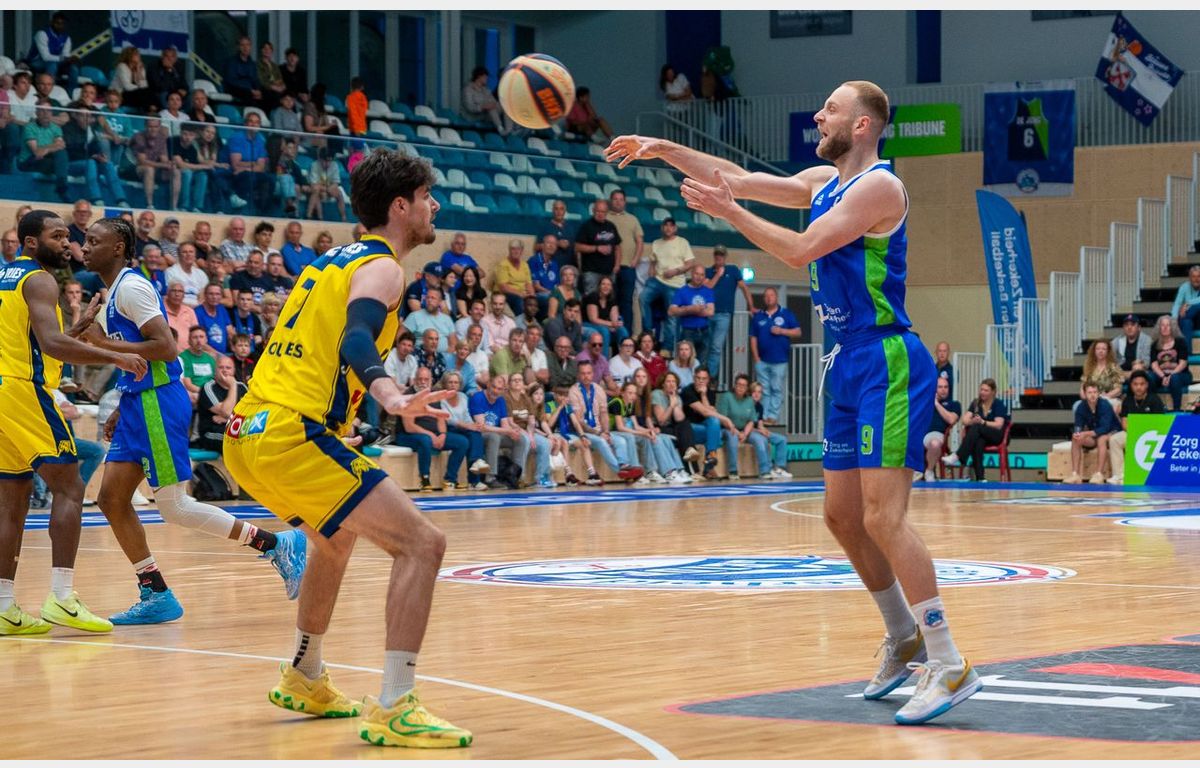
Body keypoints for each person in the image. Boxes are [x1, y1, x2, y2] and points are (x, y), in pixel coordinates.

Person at [607, 79, 981, 724]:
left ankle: (948, 662)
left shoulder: (880, 187)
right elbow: (736, 178)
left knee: (884, 517)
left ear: (862, 125)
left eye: (831, 108)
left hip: (887, 358)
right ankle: (904, 635)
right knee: (842, 517)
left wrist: (729, 214)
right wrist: (663, 148)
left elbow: (801, 248)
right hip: (846, 360)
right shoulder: (823, 181)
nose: (818, 114)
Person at [221, 149, 472, 746]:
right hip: (291, 433)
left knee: (333, 540)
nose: (435, 206)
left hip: (250, 431)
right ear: (400, 206)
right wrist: (390, 394)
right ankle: (396, 705)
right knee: (423, 544)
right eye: (427, 196)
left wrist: (338, 419)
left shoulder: (329, 262)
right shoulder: (384, 267)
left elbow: (316, 347)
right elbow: (357, 337)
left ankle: (305, 673)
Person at [83, 218, 304, 616]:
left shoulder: (131, 288)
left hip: (157, 404)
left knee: (175, 507)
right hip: (137, 402)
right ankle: (156, 594)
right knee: (111, 499)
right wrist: (122, 401)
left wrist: (102, 345)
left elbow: (165, 348)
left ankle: (276, 544)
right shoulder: (114, 292)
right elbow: (138, 358)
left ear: (117, 247)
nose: (84, 247)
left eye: (93, 241)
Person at [0, 210, 146, 637]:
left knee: (12, 500)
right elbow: (50, 344)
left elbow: (31, 340)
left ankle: (4, 606)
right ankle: (62, 597)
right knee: (70, 486)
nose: (68, 244)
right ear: (31, 242)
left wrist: (79, 327)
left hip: (3, 390)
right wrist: (115, 355)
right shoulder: (40, 280)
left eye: (68, 236)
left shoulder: (6, 277)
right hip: (23, 389)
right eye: (58, 236)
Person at [394, 367, 468, 492]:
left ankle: (450, 480)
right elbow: (409, 427)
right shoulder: (408, 395)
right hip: (407, 435)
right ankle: (424, 480)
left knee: (462, 442)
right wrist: (431, 435)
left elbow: (440, 418)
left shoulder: (434, 393)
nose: (423, 382)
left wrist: (442, 434)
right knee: (425, 440)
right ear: (415, 380)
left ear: (431, 380)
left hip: (432, 434)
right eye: (420, 379)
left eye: (426, 379)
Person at [569, 360, 642, 481]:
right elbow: (578, 421)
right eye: (583, 373)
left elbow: (604, 414)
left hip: (599, 430)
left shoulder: (598, 389)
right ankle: (620, 471)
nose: (586, 376)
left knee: (620, 441)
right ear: (578, 375)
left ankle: (624, 465)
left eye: (588, 373)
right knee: (601, 441)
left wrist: (606, 432)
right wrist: (599, 433)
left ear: (593, 374)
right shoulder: (574, 391)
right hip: (581, 432)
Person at [718, 373, 788, 480]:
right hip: (728, 429)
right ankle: (733, 471)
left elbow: (751, 421)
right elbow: (723, 419)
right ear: (735, 385)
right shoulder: (727, 397)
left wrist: (745, 434)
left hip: (746, 430)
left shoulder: (749, 401)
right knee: (733, 438)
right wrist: (738, 432)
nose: (741, 387)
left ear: (747, 388)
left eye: (744, 385)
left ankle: (765, 471)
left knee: (761, 439)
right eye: (739, 384)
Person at [640, 217, 694, 351]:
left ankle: (667, 348)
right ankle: (648, 333)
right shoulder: (656, 243)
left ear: (675, 228)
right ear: (662, 228)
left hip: (675, 284)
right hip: (658, 280)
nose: (668, 228)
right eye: (666, 225)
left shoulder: (682, 242)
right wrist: (650, 274)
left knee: (671, 315)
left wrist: (676, 271)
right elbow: (653, 263)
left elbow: (690, 263)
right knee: (642, 298)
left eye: (671, 225)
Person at [749, 286, 801, 423]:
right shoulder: (758, 316)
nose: (769, 298)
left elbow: (797, 332)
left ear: (776, 297)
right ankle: (764, 416)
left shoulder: (786, 314)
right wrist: (756, 358)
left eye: (771, 295)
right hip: (762, 361)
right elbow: (753, 337)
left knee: (776, 388)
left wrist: (782, 331)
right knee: (763, 390)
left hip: (780, 360)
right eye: (766, 296)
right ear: (764, 299)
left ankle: (773, 417)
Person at [470, 373, 530, 489]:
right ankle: (490, 478)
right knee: (494, 437)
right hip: (479, 435)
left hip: (496, 432)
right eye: (494, 387)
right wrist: (507, 431)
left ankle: (515, 475)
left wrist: (512, 431)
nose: (496, 391)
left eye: (499, 389)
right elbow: (481, 426)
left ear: (503, 390)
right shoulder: (478, 398)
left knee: (520, 439)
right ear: (488, 385)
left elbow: (505, 424)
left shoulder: (501, 400)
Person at [942, 378, 1009, 482]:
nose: (982, 392)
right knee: (978, 441)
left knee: (977, 427)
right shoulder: (976, 403)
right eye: (981, 389)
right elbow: (964, 420)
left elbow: (999, 425)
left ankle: (958, 456)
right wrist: (972, 421)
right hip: (982, 435)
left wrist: (983, 422)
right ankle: (980, 478)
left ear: (992, 392)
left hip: (996, 435)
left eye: (986, 390)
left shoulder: (998, 403)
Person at [705, 243, 755, 377]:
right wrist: (718, 275)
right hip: (707, 313)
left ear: (725, 256)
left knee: (716, 347)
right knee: (706, 345)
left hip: (724, 314)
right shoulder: (708, 271)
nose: (719, 257)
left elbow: (744, 288)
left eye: (721, 255)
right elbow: (707, 287)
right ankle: (703, 375)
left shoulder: (733, 270)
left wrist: (751, 306)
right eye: (717, 254)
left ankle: (711, 377)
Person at [1107, 369, 1164, 484]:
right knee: (1114, 439)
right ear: (1131, 386)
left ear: (1147, 385)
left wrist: (1141, 433)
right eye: (1135, 384)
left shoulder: (1155, 400)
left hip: (1151, 436)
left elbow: (1159, 423)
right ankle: (1119, 475)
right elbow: (1124, 423)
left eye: (1142, 384)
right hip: (1132, 433)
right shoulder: (1127, 401)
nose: (1139, 387)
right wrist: (1135, 433)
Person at [680, 367, 730, 480]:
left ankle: (709, 460)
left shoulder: (710, 393)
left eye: (704, 379)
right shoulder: (687, 391)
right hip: (689, 429)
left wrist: (703, 395)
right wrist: (726, 419)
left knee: (714, 423)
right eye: (698, 378)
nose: (701, 381)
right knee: (716, 433)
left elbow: (710, 414)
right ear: (694, 378)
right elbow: (705, 412)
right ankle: (709, 467)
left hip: (704, 428)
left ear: (708, 380)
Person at [607, 189, 643, 336]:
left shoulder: (632, 219)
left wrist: (635, 260)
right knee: (610, 302)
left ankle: (626, 336)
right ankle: (612, 335)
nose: (618, 202)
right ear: (611, 201)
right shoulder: (605, 217)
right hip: (609, 268)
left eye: (621, 199)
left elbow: (639, 241)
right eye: (615, 199)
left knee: (627, 302)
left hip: (628, 267)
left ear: (625, 202)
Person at [1065, 383, 1118, 485]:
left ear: (1098, 393)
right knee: (1076, 438)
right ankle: (1075, 474)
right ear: (1085, 394)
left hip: (1112, 432)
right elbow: (1078, 425)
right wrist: (1077, 433)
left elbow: (1105, 428)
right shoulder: (1081, 406)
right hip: (1094, 434)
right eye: (1089, 393)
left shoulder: (1105, 405)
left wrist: (1086, 433)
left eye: (1095, 392)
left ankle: (1099, 474)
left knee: (1101, 438)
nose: (1092, 395)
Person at [19, 99, 69, 202]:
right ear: (37, 113)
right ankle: (62, 189)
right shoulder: (29, 127)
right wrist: (52, 147)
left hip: (48, 159)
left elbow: (61, 146)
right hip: (29, 161)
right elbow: (37, 153)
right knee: (61, 163)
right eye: (42, 110)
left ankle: (61, 187)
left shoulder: (56, 128)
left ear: (52, 113)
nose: (46, 113)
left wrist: (46, 149)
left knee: (61, 154)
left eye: (48, 111)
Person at [652, 371, 700, 470]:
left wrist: (673, 399)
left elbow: (679, 419)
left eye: (674, 381)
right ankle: (692, 469)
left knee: (685, 424)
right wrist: (671, 405)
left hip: (671, 427)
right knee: (684, 437)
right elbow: (661, 421)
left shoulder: (676, 397)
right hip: (658, 427)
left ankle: (690, 453)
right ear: (663, 384)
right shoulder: (657, 394)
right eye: (668, 381)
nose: (671, 384)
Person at [669, 264, 715, 366]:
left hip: (704, 331)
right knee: (687, 362)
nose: (699, 277)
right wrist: (689, 309)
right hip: (688, 332)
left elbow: (711, 311)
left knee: (702, 364)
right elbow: (671, 311)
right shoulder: (682, 291)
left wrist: (692, 310)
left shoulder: (708, 291)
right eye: (697, 274)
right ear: (692, 274)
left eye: (702, 275)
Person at [575, 200, 621, 296]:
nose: (600, 214)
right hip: (592, 272)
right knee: (591, 299)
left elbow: (617, 247)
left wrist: (617, 265)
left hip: (609, 272)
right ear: (593, 210)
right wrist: (597, 248)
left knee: (609, 299)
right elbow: (577, 247)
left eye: (603, 212)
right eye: (598, 211)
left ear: (607, 212)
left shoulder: (611, 226)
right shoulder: (586, 226)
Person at [921, 375, 960, 483]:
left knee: (935, 444)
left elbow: (951, 420)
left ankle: (929, 471)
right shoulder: (925, 403)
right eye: (940, 387)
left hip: (936, 434)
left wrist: (936, 404)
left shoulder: (954, 404)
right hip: (918, 434)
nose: (943, 390)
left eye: (946, 387)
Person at [1150, 314, 1192, 411]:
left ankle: (1177, 409)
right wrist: (1163, 376)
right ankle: (1153, 407)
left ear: (1172, 327)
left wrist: (1170, 375)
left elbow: (1183, 363)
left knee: (1174, 378)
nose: (1165, 328)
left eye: (1168, 325)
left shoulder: (1180, 342)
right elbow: (1154, 364)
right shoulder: (1155, 344)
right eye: (1162, 325)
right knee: (1150, 377)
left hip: (1181, 374)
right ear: (1159, 328)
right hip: (1161, 375)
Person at [27, 12, 79, 91]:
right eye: (57, 23)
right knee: (52, 65)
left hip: (56, 62)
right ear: (52, 23)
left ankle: (71, 94)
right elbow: (45, 57)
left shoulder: (66, 38)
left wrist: (70, 60)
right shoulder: (42, 34)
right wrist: (64, 59)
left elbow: (65, 55)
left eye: (62, 24)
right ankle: (50, 92)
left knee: (73, 68)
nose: (60, 26)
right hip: (36, 62)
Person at [583, 274, 627, 355]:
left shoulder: (612, 299)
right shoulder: (593, 297)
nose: (606, 287)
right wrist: (611, 324)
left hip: (604, 324)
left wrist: (616, 324)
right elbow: (593, 319)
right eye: (603, 284)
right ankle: (604, 360)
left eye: (608, 285)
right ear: (599, 286)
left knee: (622, 330)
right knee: (604, 331)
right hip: (588, 324)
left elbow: (614, 319)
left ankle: (624, 357)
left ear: (611, 288)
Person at [1080, 339, 1124, 415]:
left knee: (1106, 406)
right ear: (1094, 351)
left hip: (1109, 398)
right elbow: (1083, 386)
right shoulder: (1089, 367)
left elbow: (1118, 389)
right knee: (1077, 405)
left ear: (1108, 351)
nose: (1100, 351)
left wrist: (1105, 397)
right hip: (1091, 399)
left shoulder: (1114, 367)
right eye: (1098, 349)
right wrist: (1086, 397)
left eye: (1104, 349)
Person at [461, 66, 508, 135]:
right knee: (490, 108)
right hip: (473, 116)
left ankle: (508, 130)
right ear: (479, 77)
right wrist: (483, 107)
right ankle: (500, 128)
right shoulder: (468, 89)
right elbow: (470, 107)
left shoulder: (485, 90)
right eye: (485, 77)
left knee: (505, 107)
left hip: (485, 115)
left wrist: (493, 104)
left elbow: (493, 101)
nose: (487, 79)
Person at [306, 148, 347, 221]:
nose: (328, 164)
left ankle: (344, 218)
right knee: (316, 191)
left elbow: (336, 183)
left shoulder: (334, 165)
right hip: (314, 189)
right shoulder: (314, 165)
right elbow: (313, 185)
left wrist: (329, 189)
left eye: (329, 161)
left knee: (339, 194)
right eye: (325, 161)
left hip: (328, 188)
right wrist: (327, 189)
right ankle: (310, 216)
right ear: (320, 159)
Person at [111, 47, 156, 113]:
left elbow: (144, 86)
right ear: (129, 56)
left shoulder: (140, 67)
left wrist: (139, 72)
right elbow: (127, 87)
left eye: (138, 54)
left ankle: (151, 111)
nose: (138, 56)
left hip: (134, 96)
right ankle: (150, 111)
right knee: (144, 93)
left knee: (150, 91)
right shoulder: (122, 66)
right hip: (119, 95)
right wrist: (140, 89)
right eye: (136, 54)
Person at [194, 282, 233, 355]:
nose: (214, 297)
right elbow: (199, 340)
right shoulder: (197, 312)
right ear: (205, 295)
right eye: (211, 294)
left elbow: (230, 333)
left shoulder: (222, 309)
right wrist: (217, 355)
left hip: (223, 354)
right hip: (204, 354)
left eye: (217, 294)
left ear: (221, 296)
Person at [528, 234, 560, 317]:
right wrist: (552, 294)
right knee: (549, 298)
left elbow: (557, 286)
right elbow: (536, 286)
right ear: (542, 245)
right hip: (539, 294)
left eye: (554, 244)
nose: (551, 246)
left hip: (552, 294)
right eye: (549, 243)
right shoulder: (534, 260)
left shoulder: (554, 264)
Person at [541, 199, 575, 269]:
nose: (559, 212)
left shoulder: (571, 227)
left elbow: (575, 247)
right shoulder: (546, 227)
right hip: (551, 268)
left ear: (565, 211)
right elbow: (536, 247)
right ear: (552, 211)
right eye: (556, 209)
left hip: (568, 269)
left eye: (561, 209)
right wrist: (556, 244)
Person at [1172, 265, 1200, 344]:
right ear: (1189, 278)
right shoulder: (1184, 287)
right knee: (1186, 322)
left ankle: (1185, 316)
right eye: (1193, 276)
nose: (1196, 279)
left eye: (1199, 276)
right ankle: (1187, 351)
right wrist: (1174, 319)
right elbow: (1177, 304)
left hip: (1198, 319)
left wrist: (1187, 304)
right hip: (1186, 318)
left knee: (1197, 306)